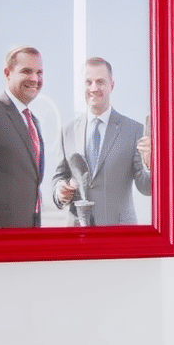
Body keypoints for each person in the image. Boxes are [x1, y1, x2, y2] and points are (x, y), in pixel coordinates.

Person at [52, 58, 151, 225]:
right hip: (78, 234)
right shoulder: (67, 131)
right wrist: (59, 192)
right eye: (88, 82)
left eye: (100, 82)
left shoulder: (134, 130)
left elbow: (146, 187)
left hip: (120, 235)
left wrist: (151, 165)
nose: (94, 88)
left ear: (112, 85)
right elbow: (59, 178)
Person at [0, 46, 46, 229]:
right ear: (7, 73)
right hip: (1, 235)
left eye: (39, 72)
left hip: (29, 233)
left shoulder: (34, 122)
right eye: (26, 71)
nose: (35, 79)